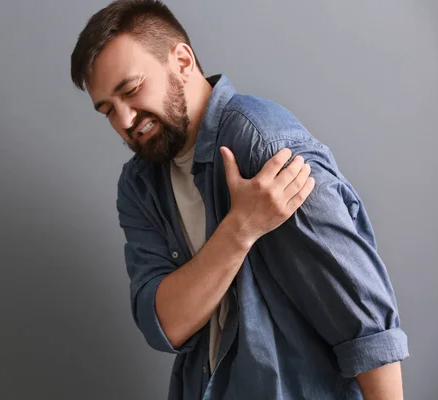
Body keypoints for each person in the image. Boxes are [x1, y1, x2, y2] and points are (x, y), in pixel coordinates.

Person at [70, 1, 409, 398]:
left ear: (181, 61)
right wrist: (239, 230)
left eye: (131, 90)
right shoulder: (140, 183)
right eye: (108, 110)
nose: (125, 120)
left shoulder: (263, 146)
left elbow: (367, 326)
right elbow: (163, 323)